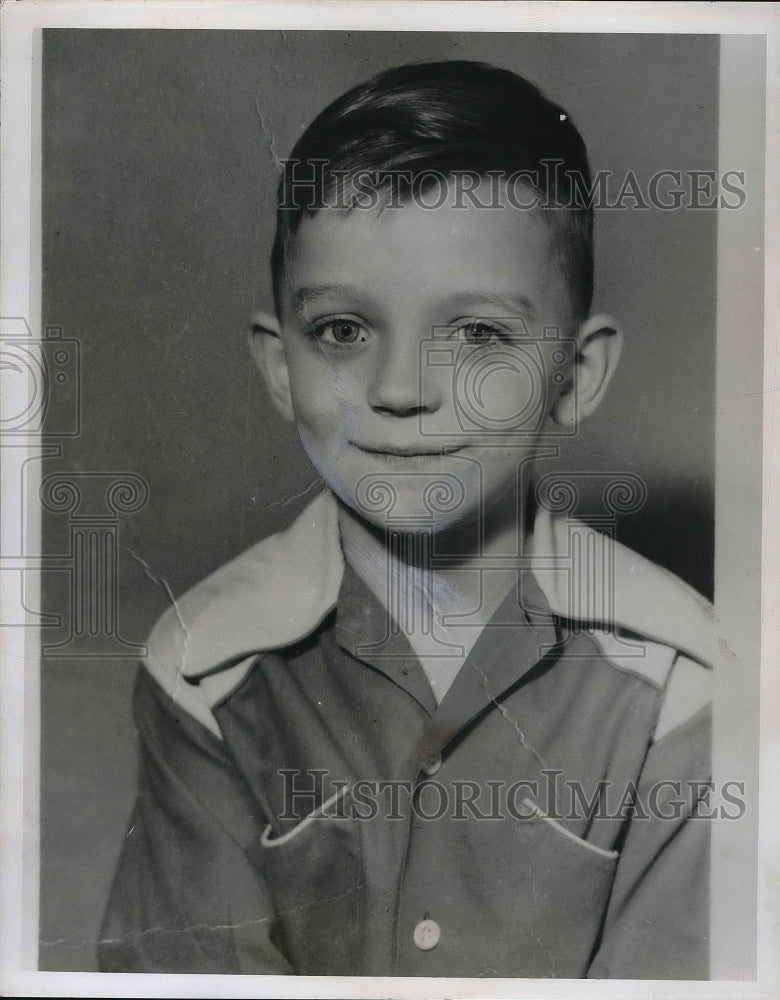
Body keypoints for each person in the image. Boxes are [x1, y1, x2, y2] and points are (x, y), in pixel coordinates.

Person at [98, 60, 713, 979]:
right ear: (279, 365)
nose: (398, 391)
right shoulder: (205, 669)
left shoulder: (680, 682)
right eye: (343, 330)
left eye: (478, 335)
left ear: (576, 377)